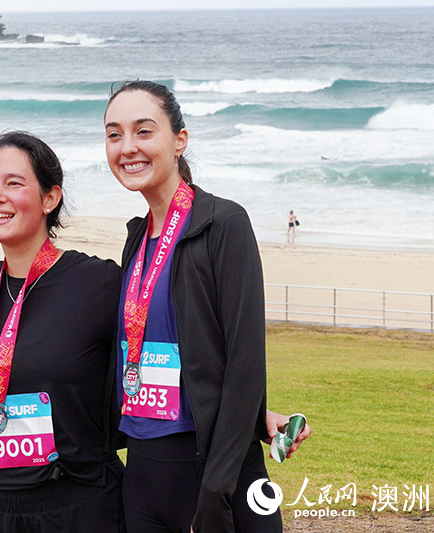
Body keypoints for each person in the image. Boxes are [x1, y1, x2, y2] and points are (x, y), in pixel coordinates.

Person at [104, 80, 309, 533]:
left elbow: (245, 362)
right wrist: (261, 419)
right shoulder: (136, 238)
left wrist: (216, 492)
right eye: (114, 133)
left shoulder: (224, 224)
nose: (127, 147)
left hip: (216, 475)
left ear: (179, 141)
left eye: (143, 131)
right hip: (143, 473)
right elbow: (190, 357)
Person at [0, 132, 125, 532]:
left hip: (75, 504)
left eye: (13, 183)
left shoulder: (98, 281)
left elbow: (169, 354)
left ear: (50, 198)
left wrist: (252, 415)